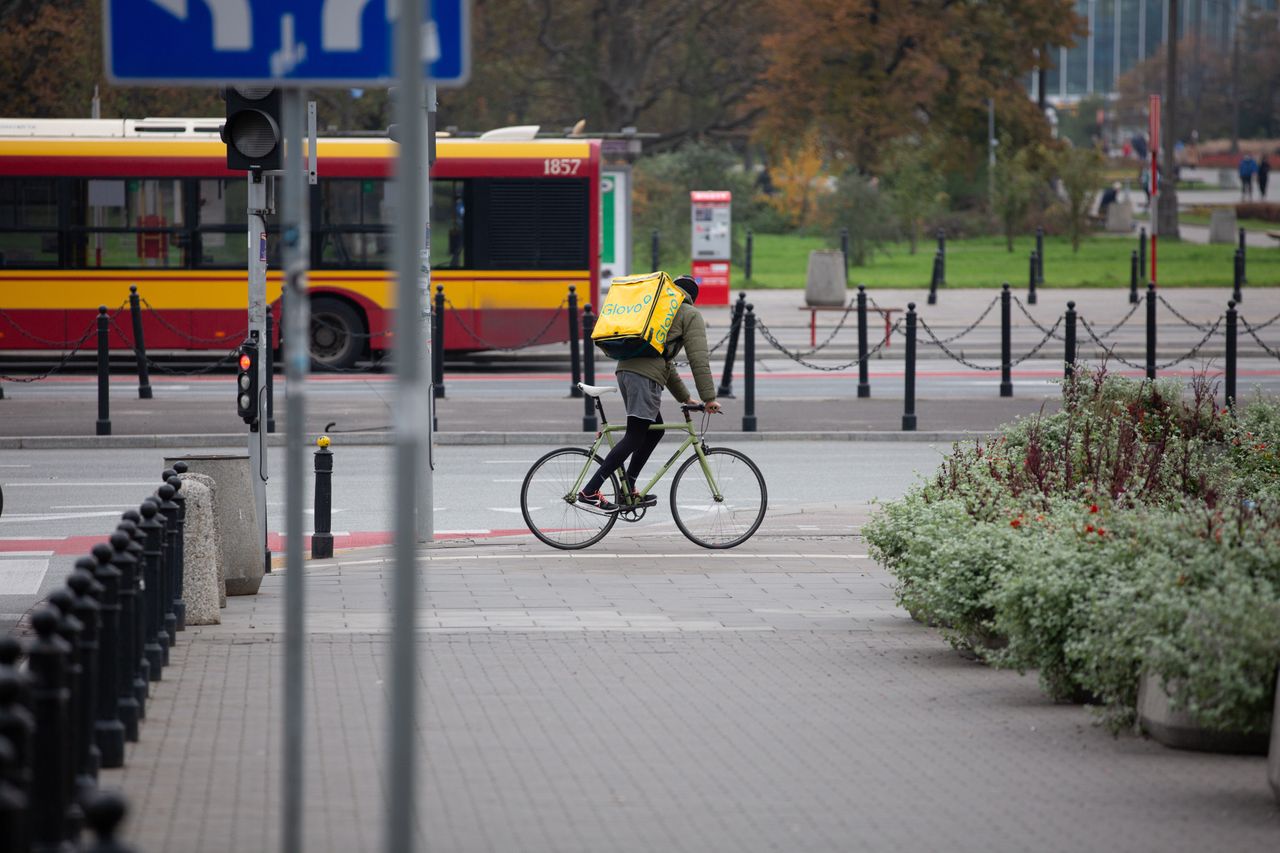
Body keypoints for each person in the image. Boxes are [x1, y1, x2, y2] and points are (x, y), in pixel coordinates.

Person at [577, 274, 721, 511]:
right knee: (636, 434)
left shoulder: (660, 311)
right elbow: (699, 359)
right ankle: (591, 490)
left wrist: (685, 398)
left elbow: (663, 361)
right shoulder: (690, 314)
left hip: (626, 371)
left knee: (653, 431)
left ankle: (628, 489)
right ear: (693, 298)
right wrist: (709, 398)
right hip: (644, 378)